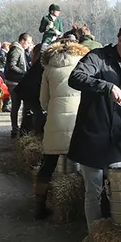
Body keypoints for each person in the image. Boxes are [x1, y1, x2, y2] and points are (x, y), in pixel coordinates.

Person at [67, 22, 121, 230]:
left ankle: (114, 228)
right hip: (92, 135)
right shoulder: (97, 57)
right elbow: (75, 78)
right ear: (120, 40)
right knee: (94, 191)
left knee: (120, 188)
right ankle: (94, 236)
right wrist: (107, 87)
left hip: (114, 139)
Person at [32, 40, 89, 219]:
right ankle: (83, 207)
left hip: (55, 120)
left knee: (47, 165)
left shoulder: (48, 68)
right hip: (78, 118)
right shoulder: (83, 64)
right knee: (85, 164)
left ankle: (39, 206)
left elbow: (43, 100)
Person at [5, 33, 32, 138]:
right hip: (14, 82)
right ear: (22, 41)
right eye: (28, 42)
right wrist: (24, 73)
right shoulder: (16, 50)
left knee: (17, 105)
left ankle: (17, 128)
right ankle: (15, 128)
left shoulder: (20, 50)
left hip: (17, 81)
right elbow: (12, 66)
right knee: (16, 105)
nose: (29, 45)